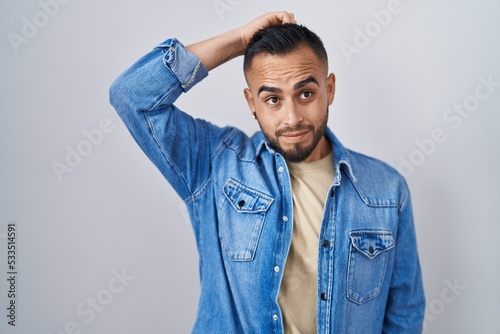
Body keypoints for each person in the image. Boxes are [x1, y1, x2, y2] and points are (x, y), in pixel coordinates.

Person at [109, 11, 425, 333]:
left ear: (329, 89)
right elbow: (132, 96)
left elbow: (403, 313)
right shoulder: (215, 165)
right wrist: (239, 41)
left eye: (305, 94)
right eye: (272, 98)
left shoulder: (386, 191)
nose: (291, 118)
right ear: (251, 103)